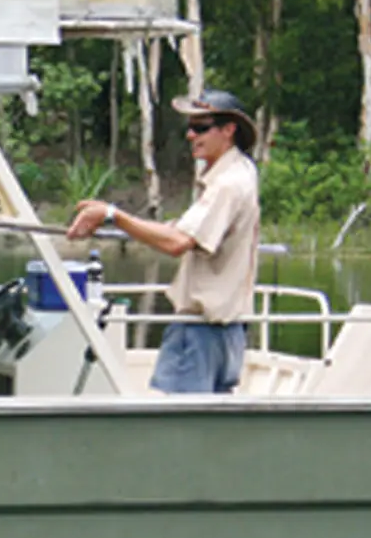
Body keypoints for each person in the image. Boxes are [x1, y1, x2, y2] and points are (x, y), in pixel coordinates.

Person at [66, 89, 261, 395]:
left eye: (201, 127)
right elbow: (182, 231)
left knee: (182, 418)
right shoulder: (241, 172)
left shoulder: (228, 184)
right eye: (190, 127)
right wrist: (118, 221)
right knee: (210, 416)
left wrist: (113, 215)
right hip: (227, 330)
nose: (190, 135)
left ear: (229, 130)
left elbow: (177, 242)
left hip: (203, 330)